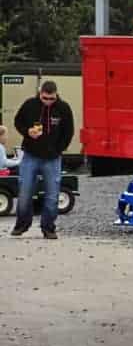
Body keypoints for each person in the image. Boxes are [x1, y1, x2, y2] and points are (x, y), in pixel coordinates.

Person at [10, 80, 75, 239]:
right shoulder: (30, 104)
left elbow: (69, 131)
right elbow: (18, 121)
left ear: (56, 95)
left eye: (51, 99)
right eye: (44, 98)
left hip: (52, 158)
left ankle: (48, 228)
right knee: (25, 191)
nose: (47, 102)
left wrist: (59, 149)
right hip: (31, 155)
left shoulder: (63, 108)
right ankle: (22, 225)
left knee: (52, 195)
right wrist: (27, 132)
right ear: (40, 94)